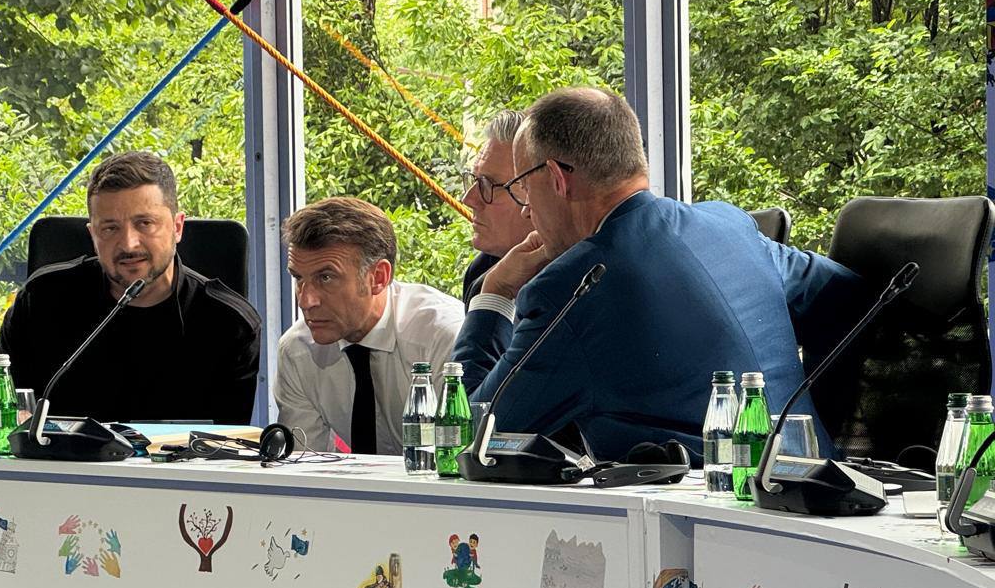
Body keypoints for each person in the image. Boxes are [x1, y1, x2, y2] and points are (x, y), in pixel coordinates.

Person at [453, 87, 863, 462]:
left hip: (703, 507)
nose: (527, 209)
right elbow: (851, 295)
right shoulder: (727, 225)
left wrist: (495, 294)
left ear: (558, 179)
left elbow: (466, 437)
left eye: (523, 187)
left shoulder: (574, 287)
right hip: (820, 484)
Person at [0, 151, 260, 424]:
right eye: (110, 228)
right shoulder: (41, 300)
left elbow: (228, 443)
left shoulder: (230, 324)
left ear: (177, 228)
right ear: (93, 235)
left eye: (145, 224)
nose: (129, 244)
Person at [275, 197, 463, 453]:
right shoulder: (298, 350)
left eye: (326, 278)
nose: (306, 301)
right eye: (299, 278)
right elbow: (303, 464)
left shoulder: (442, 336)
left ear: (378, 277)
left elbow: (460, 460)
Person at [460, 110, 531, 308]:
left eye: (488, 184)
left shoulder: (579, 284)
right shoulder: (482, 269)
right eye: (474, 180)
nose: (469, 199)